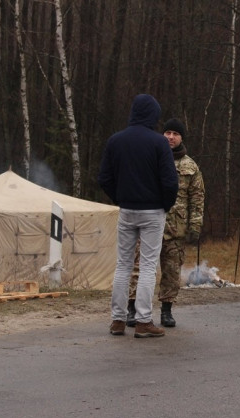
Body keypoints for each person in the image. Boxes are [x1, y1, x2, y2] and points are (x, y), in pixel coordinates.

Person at [98, 94, 178, 338]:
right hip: (153, 211)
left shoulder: (116, 141)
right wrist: (165, 205)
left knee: (123, 265)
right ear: (153, 115)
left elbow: (104, 178)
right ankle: (143, 321)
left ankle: (118, 320)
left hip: (127, 210)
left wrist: (120, 198)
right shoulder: (159, 143)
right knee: (148, 266)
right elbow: (170, 182)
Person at [126, 118, 205, 328]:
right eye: (168, 133)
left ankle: (167, 310)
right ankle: (132, 308)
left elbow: (197, 199)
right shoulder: (150, 158)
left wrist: (195, 226)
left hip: (175, 228)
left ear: (181, 138)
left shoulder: (190, 167)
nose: (171, 137)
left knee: (171, 270)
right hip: (148, 223)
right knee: (139, 268)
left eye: (175, 134)